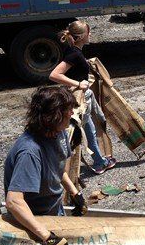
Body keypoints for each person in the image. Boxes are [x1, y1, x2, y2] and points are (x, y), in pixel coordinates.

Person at [4, 86, 96, 245]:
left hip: (55, 212)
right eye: (66, 114)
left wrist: (75, 193)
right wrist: (47, 237)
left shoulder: (59, 133)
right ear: (51, 117)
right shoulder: (29, 151)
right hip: (35, 221)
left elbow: (58, 168)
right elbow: (14, 201)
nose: (70, 117)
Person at [49, 20, 116, 175]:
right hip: (80, 98)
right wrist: (78, 83)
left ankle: (100, 160)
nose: (90, 34)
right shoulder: (74, 53)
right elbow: (54, 75)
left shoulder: (74, 50)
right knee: (87, 129)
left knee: (96, 123)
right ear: (80, 37)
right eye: (88, 32)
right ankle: (99, 163)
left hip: (86, 96)